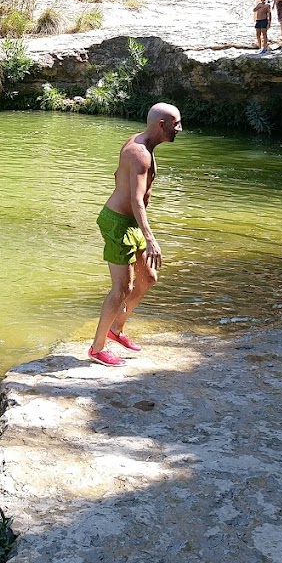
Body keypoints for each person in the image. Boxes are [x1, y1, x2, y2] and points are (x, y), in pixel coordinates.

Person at [88, 103, 182, 366]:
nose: (181, 129)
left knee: (148, 278)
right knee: (122, 288)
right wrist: (151, 239)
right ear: (161, 125)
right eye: (177, 125)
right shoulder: (139, 153)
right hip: (119, 223)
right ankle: (97, 348)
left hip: (128, 223)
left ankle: (115, 330)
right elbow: (136, 199)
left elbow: (117, 174)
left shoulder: (141, 143)